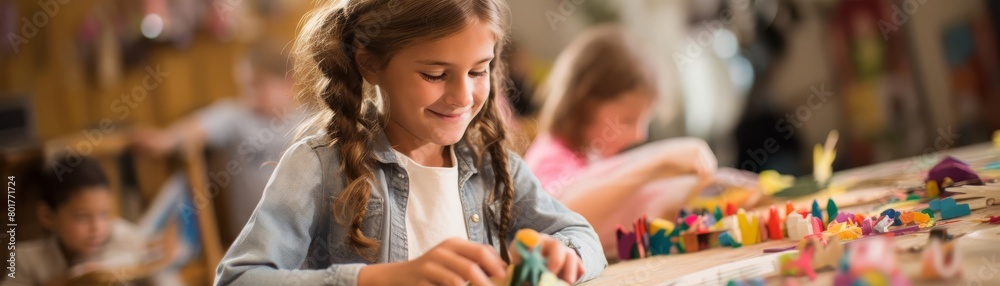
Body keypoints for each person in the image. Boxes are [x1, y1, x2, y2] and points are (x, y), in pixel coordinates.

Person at [215, 1, 605, 285]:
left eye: (477, 71)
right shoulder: (319, 165)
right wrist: (378, 280)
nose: (463, 96)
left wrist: (565, 255)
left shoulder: (491, 163)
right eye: (435, 74)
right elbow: (239, 278)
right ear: (370, 63)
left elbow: (582, 236)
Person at [524, 25, 720, 254]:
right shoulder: (549, 156)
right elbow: (562, 212)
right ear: (585, 104)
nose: (640, 134)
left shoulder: (592, 157)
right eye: (628, 120)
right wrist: (659, 160)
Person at [132, 41, 300, 243]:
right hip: (254, 235)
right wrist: (166, 139)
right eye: (245, 86)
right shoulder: (237, 117)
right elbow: (199, 126)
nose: (249, 94)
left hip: (301, 228)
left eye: (258, 84)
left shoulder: (309, 121)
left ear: (289, 83)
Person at [6, 156, 144, 286]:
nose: (97, 228)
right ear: (47, 216)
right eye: (82, 217)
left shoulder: (122, 237)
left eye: (104, 214)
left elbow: (146, 255)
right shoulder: (25, 259)